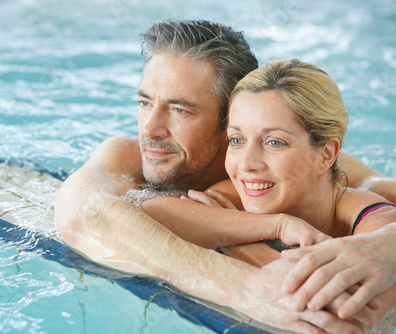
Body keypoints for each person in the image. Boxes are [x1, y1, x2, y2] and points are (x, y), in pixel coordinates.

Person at [54, 18, 396, 333]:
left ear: (225, 122)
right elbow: (88, 216)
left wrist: (385, 246)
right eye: (144, 103)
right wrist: (248, 284)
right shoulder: (125, 156)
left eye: (179, 109)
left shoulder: (332, 175)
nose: (150, 129)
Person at [167, 58, 396, 329]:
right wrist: (277, 226)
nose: (247, 163)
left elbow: (340, 317)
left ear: (326, 154)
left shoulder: (371, 217)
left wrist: (235, 243)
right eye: (237, 140)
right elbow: (155, 213)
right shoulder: (239, 193)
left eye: (274, 142)